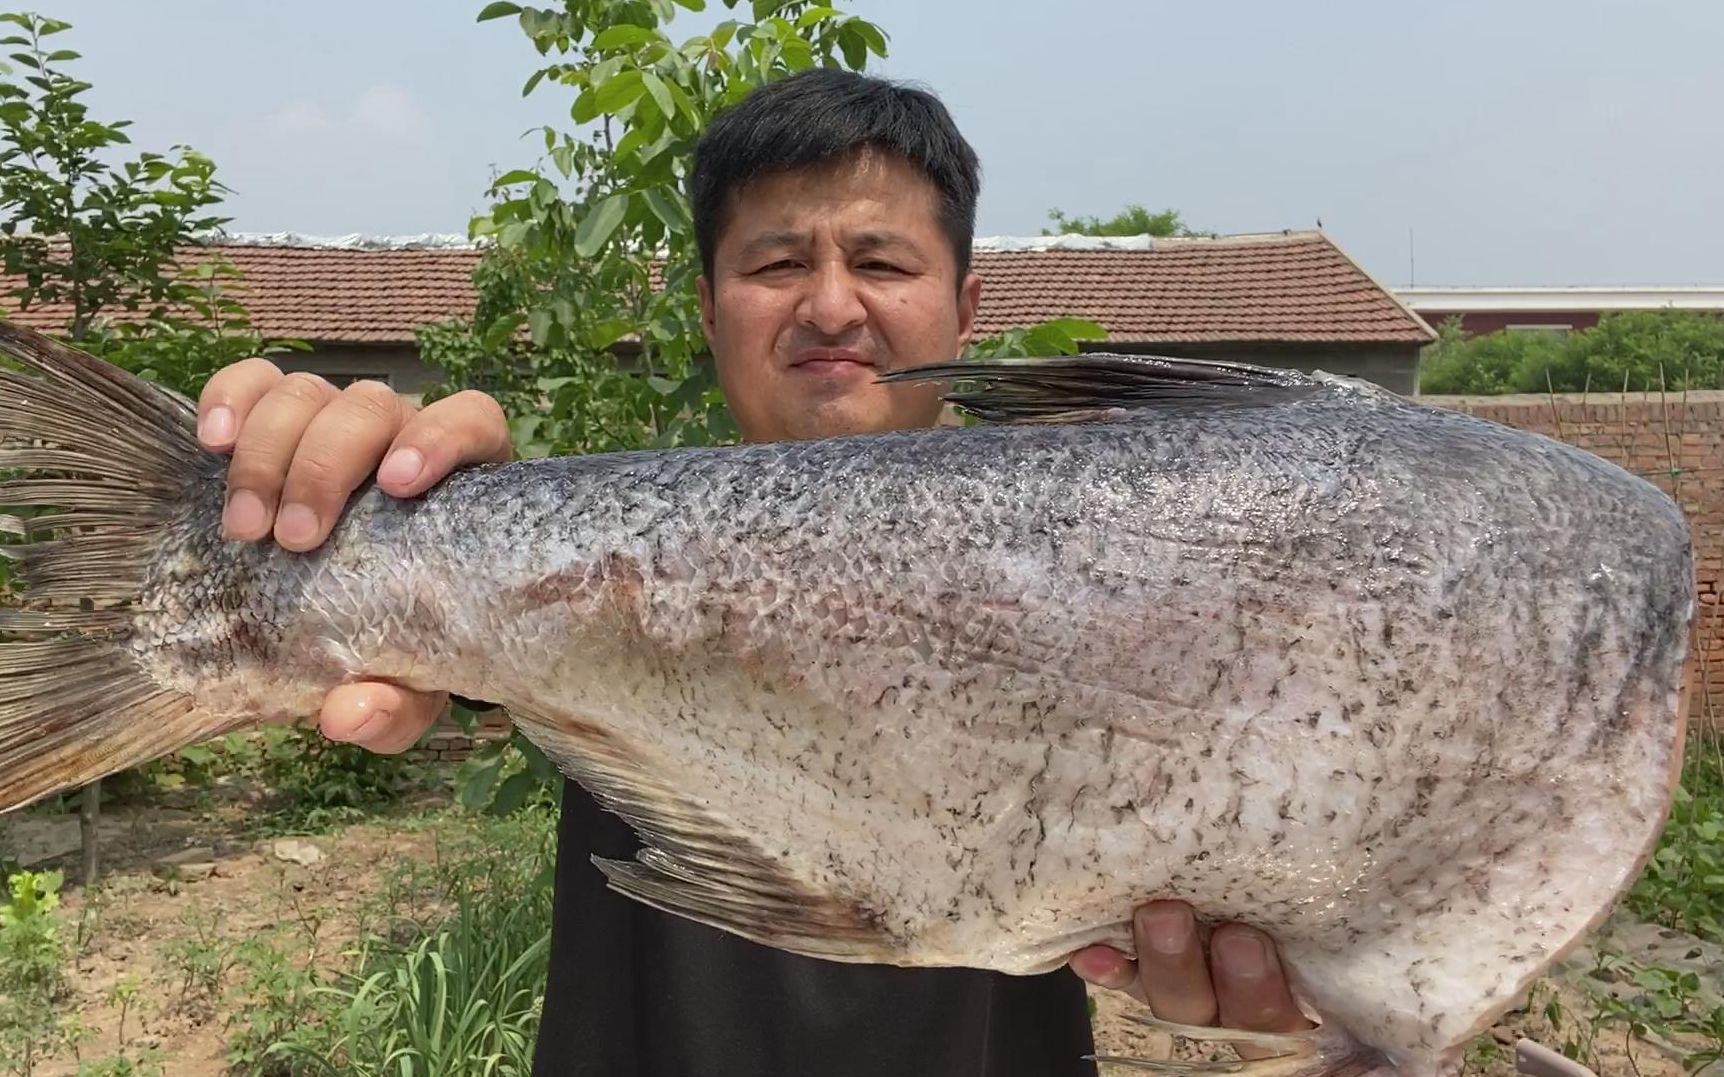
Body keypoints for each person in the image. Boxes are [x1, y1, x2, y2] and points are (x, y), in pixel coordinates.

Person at [195, 70, 1313, 1076]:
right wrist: (365, 499)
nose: (830, 306)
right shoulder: (598, 568)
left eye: (880, 261)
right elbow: (414, 632)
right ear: (707, 311)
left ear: (967, 312)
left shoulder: (1109, 564)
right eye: (777, 264)